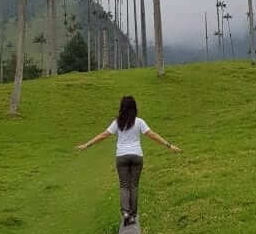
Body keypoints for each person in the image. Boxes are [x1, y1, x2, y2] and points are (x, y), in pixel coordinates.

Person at [76, 95, 181, 225]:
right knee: (134, 185)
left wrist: (87, 144)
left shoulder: (117, 122)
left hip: (122, 157)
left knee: (124, 185)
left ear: (122, 108)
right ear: (134, 107)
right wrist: (169, 145)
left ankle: (126, 213)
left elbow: (103, 135)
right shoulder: (139, 122)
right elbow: (152, 135)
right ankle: (133, 214)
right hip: (137, 156)